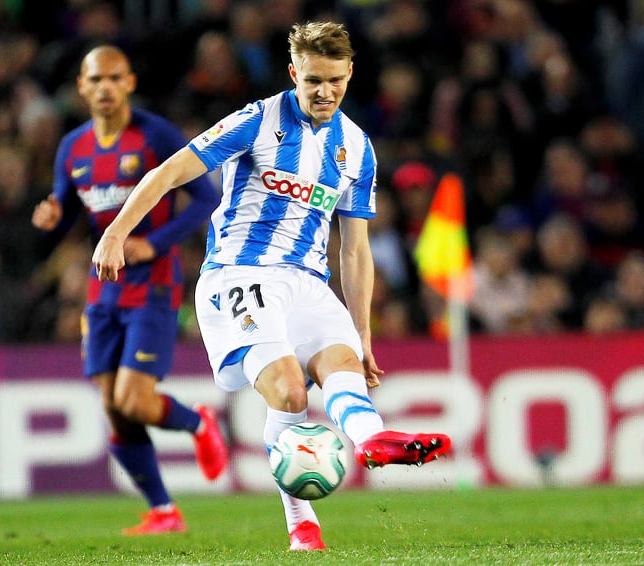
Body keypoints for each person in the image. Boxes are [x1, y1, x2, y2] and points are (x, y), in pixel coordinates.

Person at [91, 22, 452, 551]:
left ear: (350, 73)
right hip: (240, 272)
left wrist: (363, 334)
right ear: (293, 75)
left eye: (334, 80)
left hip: (308, 281)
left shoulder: (358, 147)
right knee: (288, 388)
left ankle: (373, 441)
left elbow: (353, 249)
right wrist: (117, 232)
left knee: (343, 368)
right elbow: (169, 172)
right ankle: (300, 520)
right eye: (312, 82)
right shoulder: (257, 121)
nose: (324, 92)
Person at [31, 45, 226, 536]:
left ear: (130, 83)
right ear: (81, 86)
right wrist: (54, 214)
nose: (104, 88)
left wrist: (152, 243)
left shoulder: (155, 135)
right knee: (113, 408)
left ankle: (199, 423)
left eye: (114, 78)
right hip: (103, 287)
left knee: (135, 400)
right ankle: (164, 510)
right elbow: (69, 205)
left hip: (154, 284)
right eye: (95, 80)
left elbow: (206, 197)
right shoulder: (72, 147)